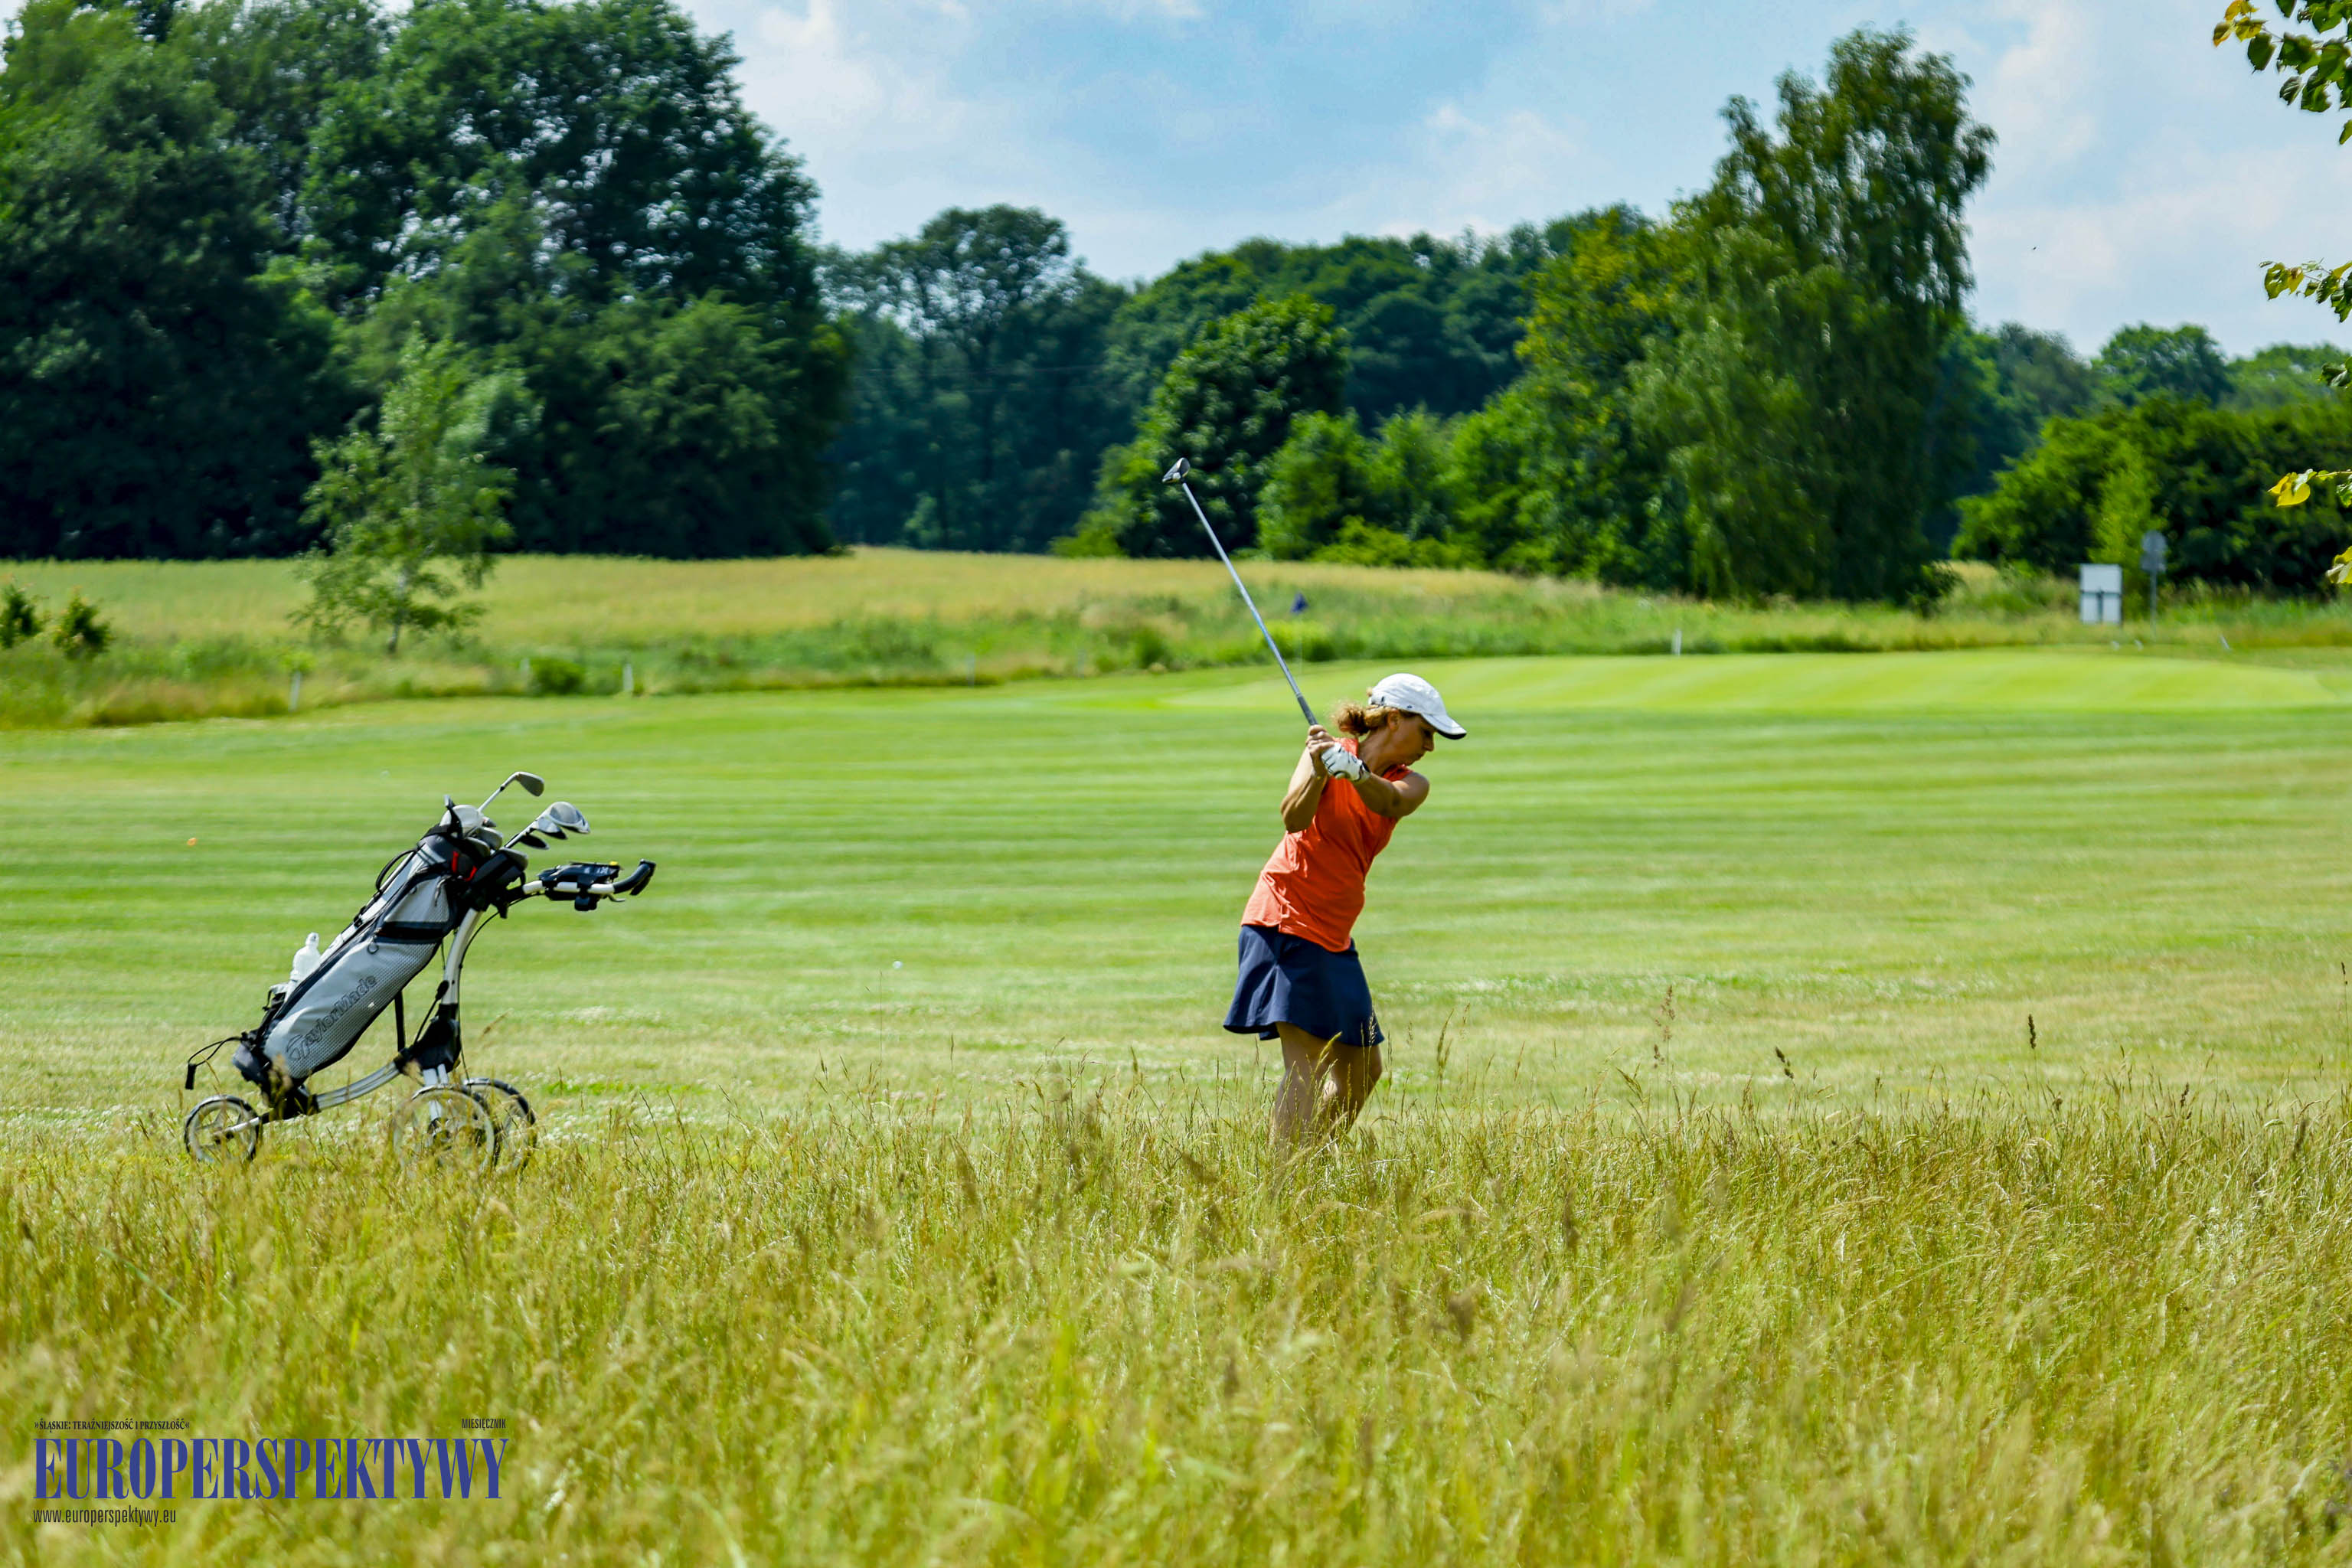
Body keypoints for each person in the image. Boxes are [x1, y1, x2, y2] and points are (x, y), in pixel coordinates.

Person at [1223, 672, 1465, 1144]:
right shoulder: (1323, 754)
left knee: (1362, 1071)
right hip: (1285, 919)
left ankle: (1307, 1168)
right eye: (1427, 732)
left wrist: (1353, 772)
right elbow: (1294, 817)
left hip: (1333, 935)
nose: (1430, 747)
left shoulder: (1411, 783)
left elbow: (1389, 801)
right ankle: (1283, 1190)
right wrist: (1317, 768)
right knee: (1308, 1064)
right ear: (1394, 720)